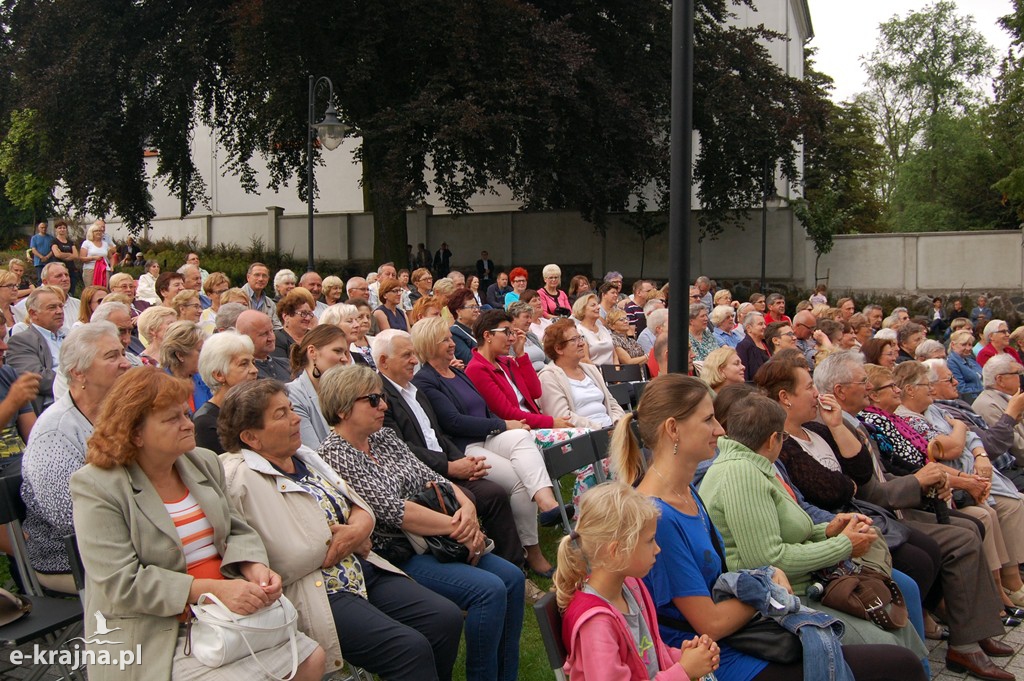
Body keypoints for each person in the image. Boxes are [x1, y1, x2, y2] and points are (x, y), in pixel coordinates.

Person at [611, 374, 928, 681]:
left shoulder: (684, 492)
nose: (720, 429)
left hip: (737, 638)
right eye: (708, 420)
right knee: (898, 665)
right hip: (712, 657)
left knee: (896, 658)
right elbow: (712, 623)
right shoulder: (659, 515)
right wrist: (769, 589)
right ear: (673, 429)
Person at [70, 368, 325, 681]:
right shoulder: (98, 485)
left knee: (311, 658)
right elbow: (121, 582)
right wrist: (211, 590)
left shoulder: (200, 462)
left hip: (226, 616)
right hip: (156, 630)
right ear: (135, 433)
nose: (187, 424)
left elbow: (237, 529)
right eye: (171, 419)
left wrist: (254, 567)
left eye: (186, 414)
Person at [218, 380, 463, 680]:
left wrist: (358, 528)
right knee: (409, 649)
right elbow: (284, 557)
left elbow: (360, 506)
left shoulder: (304, 457)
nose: (296, 418)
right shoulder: (240, 480)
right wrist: (351, 537)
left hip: (362, 567)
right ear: (251, 437)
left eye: (291, 409)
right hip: (318, 590)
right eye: (281, 414)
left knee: (444, 618)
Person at [316, 363, 524, 681]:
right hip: (400, 554)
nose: (384, 405)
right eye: (373, 400)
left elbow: (433, 477)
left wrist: (468, 508)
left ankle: (504, 675)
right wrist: (461, 528)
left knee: (512, 578)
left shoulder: (384, 438)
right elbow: (392, 510)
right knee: (489, 590)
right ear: (344, 408)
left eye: (382, 397)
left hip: (441, 539)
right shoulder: (334, 456)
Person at [410, 317, 572, 576]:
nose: (453, 343)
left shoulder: (458, 372)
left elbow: (484, 410)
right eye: (445, 340)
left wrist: (509, 426)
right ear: (429, 344)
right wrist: (503, 425)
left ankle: (547, 504)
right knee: (517, 478)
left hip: (487, 436)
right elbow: (453, 422)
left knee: (522, 439)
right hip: (465, 446)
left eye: (451, 338)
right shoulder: (425, 381)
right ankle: (531, 551)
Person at [891, 360, 1024, 617]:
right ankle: (996, 589)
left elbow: (972, 439)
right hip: (948, 486)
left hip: (972, 473)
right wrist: (960, 429)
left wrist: (980, 455)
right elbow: (947, 449)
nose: (931, 389)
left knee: (1012, 502)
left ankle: (1008, 581)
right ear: (908, 390)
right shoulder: (906, 418)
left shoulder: (934, 409)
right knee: (986, 514)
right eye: (925, 384)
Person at [555, 482, 721, 681]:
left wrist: (682, 657)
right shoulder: (596, 625)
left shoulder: (631, 587)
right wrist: (683, 671)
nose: (657, 549)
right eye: (650, 540)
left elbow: (649, 654)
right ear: (616, 551)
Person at [20, 322, 131, 593]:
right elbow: (67, 516)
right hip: (70, 554)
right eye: (111, 356)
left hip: (133, 535)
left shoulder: (123, 413)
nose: (125, 363)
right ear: (78, 373)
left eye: (122, 353)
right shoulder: (56, 432)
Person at [467, 309, 573, 429]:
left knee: (583, 434)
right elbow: (506, 413)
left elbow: (535, 392)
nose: (512, 339)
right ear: (487, 335)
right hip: (516, 432)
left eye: (513, 333)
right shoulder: (476, 369)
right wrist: (551, 422)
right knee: (579, 435)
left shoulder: (506, 362)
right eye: (507, 332)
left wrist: (521, 355)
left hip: (534, 424)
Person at [539, 319, 625, 429]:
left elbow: (612, 403)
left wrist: (617, 423)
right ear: (559, 349)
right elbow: (563, 418)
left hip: (611, 428)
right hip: (584, 437)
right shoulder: (548, 377)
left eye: (580, 338)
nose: (582, 343)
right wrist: (600, 428)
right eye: (574, 339)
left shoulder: (591, 370)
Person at [192, 331, 257, 453]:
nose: (254, 370)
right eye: (244, 364)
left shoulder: (255, 409)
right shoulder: (205, 424)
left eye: (253, 362)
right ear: (219, 374)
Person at [288, 325, 351, 449]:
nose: (344, 359)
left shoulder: (347, 394)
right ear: (312, 352)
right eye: (337, 351)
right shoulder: (292, 395)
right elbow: (314, 453)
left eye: (345, 352)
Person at [7, 287, 65, 413]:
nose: (59, 311)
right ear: (33, 313)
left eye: (61, 306)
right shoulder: (21, 341)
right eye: (52, 307)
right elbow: (37, 379)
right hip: (53, 408)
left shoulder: (70, 337)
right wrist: (83, 383)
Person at [973, 353, 1024, 464]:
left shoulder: (1011, 397)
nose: (1021, 378)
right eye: (1018, 374)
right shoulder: (988, 406)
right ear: (1000, 380)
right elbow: (1018, 450)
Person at [160, 320, 211, 414]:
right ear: (180, 355)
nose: (205, 355)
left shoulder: (203, 380)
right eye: (200, 351)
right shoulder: (160, 386)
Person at [235, 309, 291, 381]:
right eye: (264, 334)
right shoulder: (247, 374)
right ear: (245, 337)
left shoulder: (287, 364)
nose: (271, 338)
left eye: (271, 331)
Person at [273, 289, 317, 358]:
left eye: (310, 314)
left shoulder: (314, 337)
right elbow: (281, 367)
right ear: (286, 316)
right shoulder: (277, 339)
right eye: (303, 313)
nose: (308, 318)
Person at [574, 293, 616, 366]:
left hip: (613, 373)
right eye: (593, 305)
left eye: (597, 305)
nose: (598, 307)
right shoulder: (579, 331)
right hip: (594, 373)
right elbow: (585, 360)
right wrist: (601, 375)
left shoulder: (603, 328)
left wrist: (616, 372)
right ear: (582, 310)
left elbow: (615, 356)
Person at [508, 300, 549, 372]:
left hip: (546, 373)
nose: (530, 321)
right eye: (526, 317)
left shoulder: (531, 336)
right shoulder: (508, 341)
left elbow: (547, 359)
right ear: (513, 319)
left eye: (530, 317)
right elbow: (513, 366)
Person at [736, 311, 769, 381]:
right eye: (760, 324)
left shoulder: (766, 343)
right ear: (748, 328)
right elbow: (744, 376)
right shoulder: (743, 346)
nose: (764, 327)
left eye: (765, 324)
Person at [49, 221, 80, 295]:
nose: (62, 229)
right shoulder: (54, 241)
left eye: (64, 228)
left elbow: (75, 255)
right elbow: (57, 255)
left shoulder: (70, 242)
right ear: (56, 229)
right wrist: (69, 254)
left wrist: (63, 255)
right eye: (60, 228)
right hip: (59, 268)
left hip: (71, 269)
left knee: (71, 290)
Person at [80, 222, 111, 288]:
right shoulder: (86, 243)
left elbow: (111, 256)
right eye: (96, 231)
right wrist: (93, 258)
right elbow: (82, 258)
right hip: (90, 269)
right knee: (91, 290)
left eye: (100, 231)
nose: (99, 232)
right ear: (91, 232)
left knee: (104, 288)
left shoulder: (105, 244)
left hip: (104, 270)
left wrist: (112, 266)